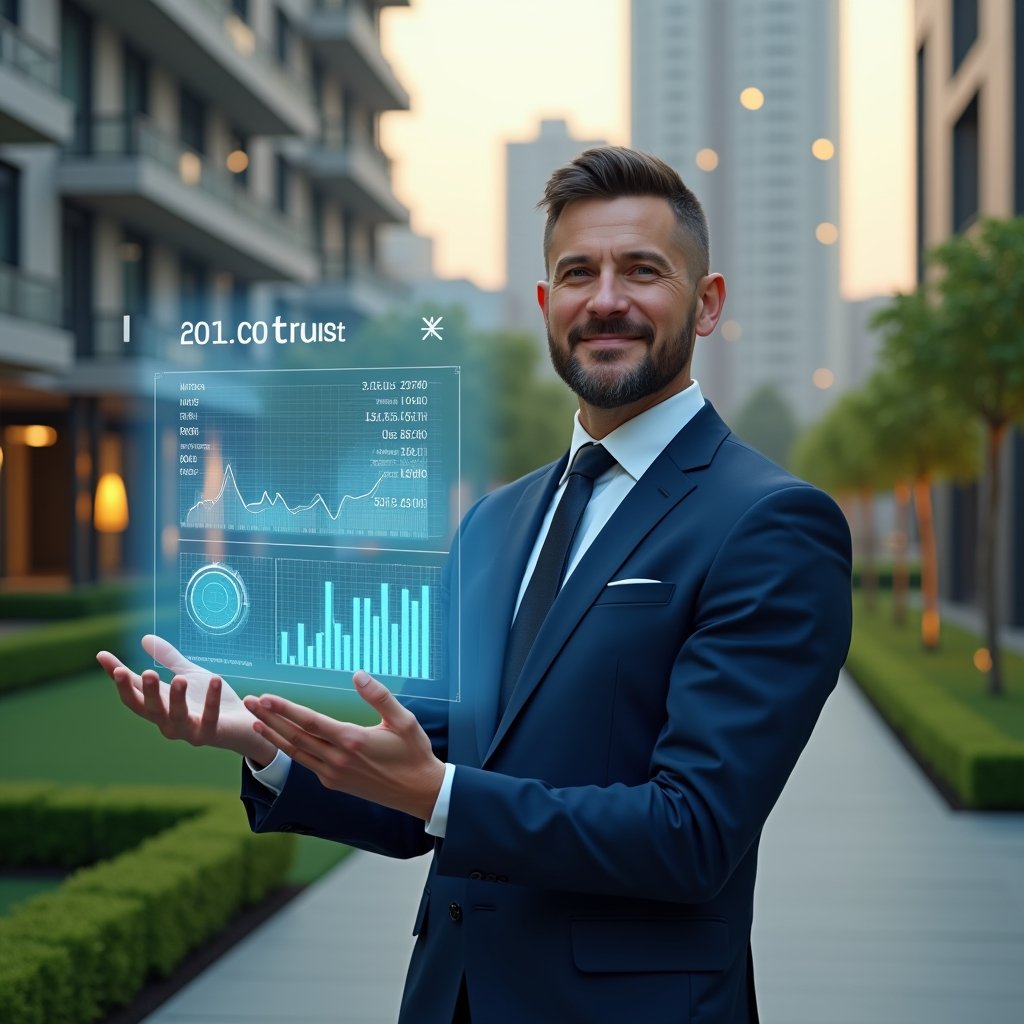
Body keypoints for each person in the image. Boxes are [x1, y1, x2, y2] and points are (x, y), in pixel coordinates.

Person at [98, 146, 852, 1024]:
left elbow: (692, 835)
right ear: (546, 305)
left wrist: (440, 793)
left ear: (707, 301)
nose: (605, 299)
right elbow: (422, 772)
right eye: (578, 273)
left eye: (642, 270)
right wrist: (264, 744)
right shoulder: (494, 522)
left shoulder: (769, 523)